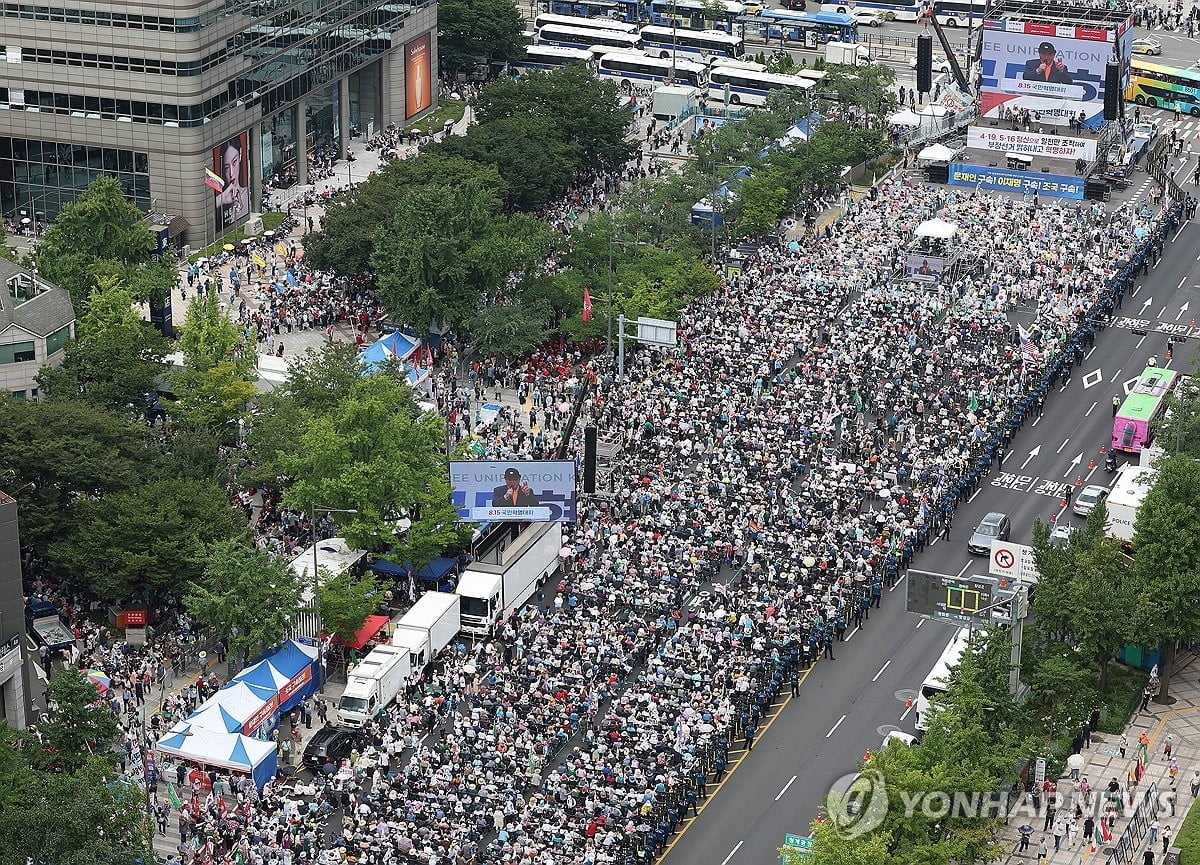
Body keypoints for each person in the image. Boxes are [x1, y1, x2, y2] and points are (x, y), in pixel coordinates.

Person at [214, 135, 250, 230]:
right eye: (226, 168)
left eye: (234, 162)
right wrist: (220, 200)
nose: (231, 173)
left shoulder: (248, 193)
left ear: (241, 155)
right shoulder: (222, 199)